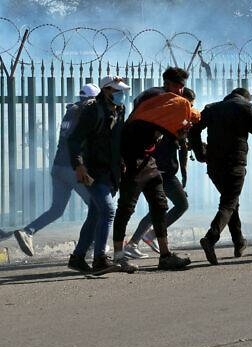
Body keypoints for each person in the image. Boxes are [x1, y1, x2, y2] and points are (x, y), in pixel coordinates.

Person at [111, 67, 196, 271]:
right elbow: (182, 116)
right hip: (132, 157)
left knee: (159, 205)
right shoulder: (157, 96)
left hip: (149, 160)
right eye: (178, 85)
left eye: (182, 86)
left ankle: (165, 255)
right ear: (167, 83)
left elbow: (176, 129)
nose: (181, 90)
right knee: (126, 207)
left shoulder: (171, 102)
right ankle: (118, 256)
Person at [9, 84, 99, 256]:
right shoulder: (86, 113)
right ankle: (90, 245)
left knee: (57, 209)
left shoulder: (70, 112)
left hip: (58, 167)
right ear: (92, 99)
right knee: (97, 205)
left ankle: (27, 231)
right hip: (74, 169)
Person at [190, 88, 252, 265]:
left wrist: (201, 154)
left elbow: (193, 131)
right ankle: (210, 238)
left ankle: (239, 242)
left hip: (214, 164)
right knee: (229, 203)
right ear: (246, 98)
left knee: (231, 202)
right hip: (234, 163)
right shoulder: (245, 107)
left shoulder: (212, 108)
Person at [67, 77, 129, 275]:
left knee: (95, 214)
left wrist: (122, 162)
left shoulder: (120, 110)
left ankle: (77, 258)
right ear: (106, 90)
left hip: (110, 171)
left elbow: (118, 140)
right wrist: (78, 165)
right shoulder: (93, 110)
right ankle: (100, 259)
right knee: (108, 211)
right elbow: (74, 140)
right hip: (92, 170)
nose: (121, 94)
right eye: (117, 91)